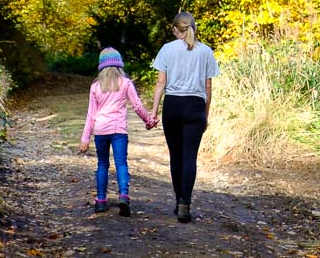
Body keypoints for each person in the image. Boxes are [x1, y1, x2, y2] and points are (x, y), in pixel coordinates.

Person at [150, 12, 219, 223]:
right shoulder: (206, 51)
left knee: (175, 156)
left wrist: (153, 112)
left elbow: (161, 84)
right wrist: (205, 114)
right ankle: (184, 203)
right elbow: (208, 87)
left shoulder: (167, 49)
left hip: (173, 105)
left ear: (174, 29)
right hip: (195, 106)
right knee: (190, 157)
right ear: (194, 28)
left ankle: (178, 199)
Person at [78, 47, 158, 215]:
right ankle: (123, 195)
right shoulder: (126, 83)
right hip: (118, 130)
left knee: (102, 164)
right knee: (121, 163)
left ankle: (101, 200)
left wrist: (85, 138)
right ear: (119, 64)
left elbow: (91, 114)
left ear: (101, 66)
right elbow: (137, 106)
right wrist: (148, 120)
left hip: (100, 131)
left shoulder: (95, 86)